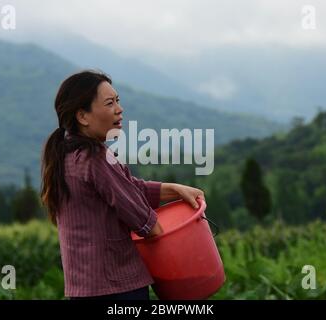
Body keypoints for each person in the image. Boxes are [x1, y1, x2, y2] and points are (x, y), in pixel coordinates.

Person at [40, 70, 204, 300]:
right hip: (117, 288)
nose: (119, 109)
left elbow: (128, 188)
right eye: (109, 103)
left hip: (83, 290)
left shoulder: (66, 156)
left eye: (118, 100)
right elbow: (147, 223)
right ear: (83, 116)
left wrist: (175, 190)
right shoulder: (95, 159)